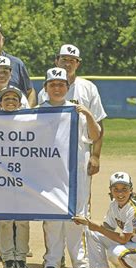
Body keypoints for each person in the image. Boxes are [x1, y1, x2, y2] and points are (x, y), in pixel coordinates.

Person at [39, 67, 101, 268]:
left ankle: (80, 263)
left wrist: (88, 114)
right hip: (51, 173)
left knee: (77, 217)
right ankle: (52, 262)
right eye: (53, 84)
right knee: (53, 218)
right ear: (46, 87)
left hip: (77, 172)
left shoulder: (77, 111)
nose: (57, 88)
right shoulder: (38, 111)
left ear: (67, 87)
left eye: (61, 84)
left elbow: (95, 135)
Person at [73, 172, 136, 268]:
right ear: (110, 190)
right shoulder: (114, 205)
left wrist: (97, 228)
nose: (120, 193)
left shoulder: (134, 210)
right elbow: (107, 227)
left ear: (131, 190)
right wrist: (87, 222)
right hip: (129, 243)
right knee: (91, 232)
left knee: (114, 252)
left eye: (124, 189)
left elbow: (123, 239)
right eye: (116, 189)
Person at [38, 44, 107, 176]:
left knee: (81, 194)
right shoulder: (44, 93)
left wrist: (96, 156)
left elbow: (99, 125)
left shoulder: (88, 88)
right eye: (64, 59)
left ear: (78, 64)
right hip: (51, 152)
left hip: (80, 150)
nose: (67, 64)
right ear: (56, 61)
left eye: (72, 60)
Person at [0, 86, 31, 268]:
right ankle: (8, 258)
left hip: (24, 179)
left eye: (14, 98)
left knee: (22, 221)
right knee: (5, 220)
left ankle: (22, 258)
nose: (10, 101)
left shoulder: (29, 121)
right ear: (0, 102)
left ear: (20, 102)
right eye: (6, 98)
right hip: (2, 179)